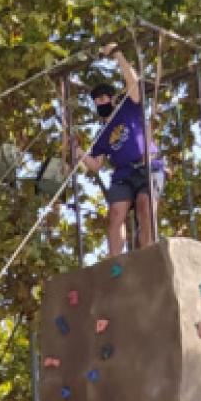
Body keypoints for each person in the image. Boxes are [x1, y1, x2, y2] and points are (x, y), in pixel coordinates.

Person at [74, 42, 165, 257]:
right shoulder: (103, 132)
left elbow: (133, 83)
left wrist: (118, 56)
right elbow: (95, 165)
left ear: (113, 99)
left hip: (147, 166)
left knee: (145, 207)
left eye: (104, 98)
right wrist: (78, 152)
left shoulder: (128, 108)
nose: (100, 102)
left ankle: (148, 255)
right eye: (96, 100)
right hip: (123, 174)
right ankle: (114, 262)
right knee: (115, 214)